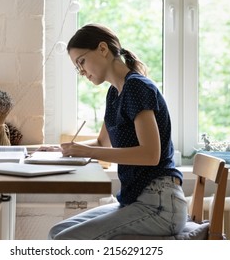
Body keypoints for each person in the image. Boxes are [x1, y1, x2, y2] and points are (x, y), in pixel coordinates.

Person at [48, 23, 187, 240]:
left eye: (81, 62)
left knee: (65, 240)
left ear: (103, 49)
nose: (82, 72)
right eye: (78, 67)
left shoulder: (136, 87)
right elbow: (103, 143)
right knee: (56, 232)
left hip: (160, 205)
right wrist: (63, 150)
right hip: (137, 200)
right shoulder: (115, 93)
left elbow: (150, 155)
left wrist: (85, 152)